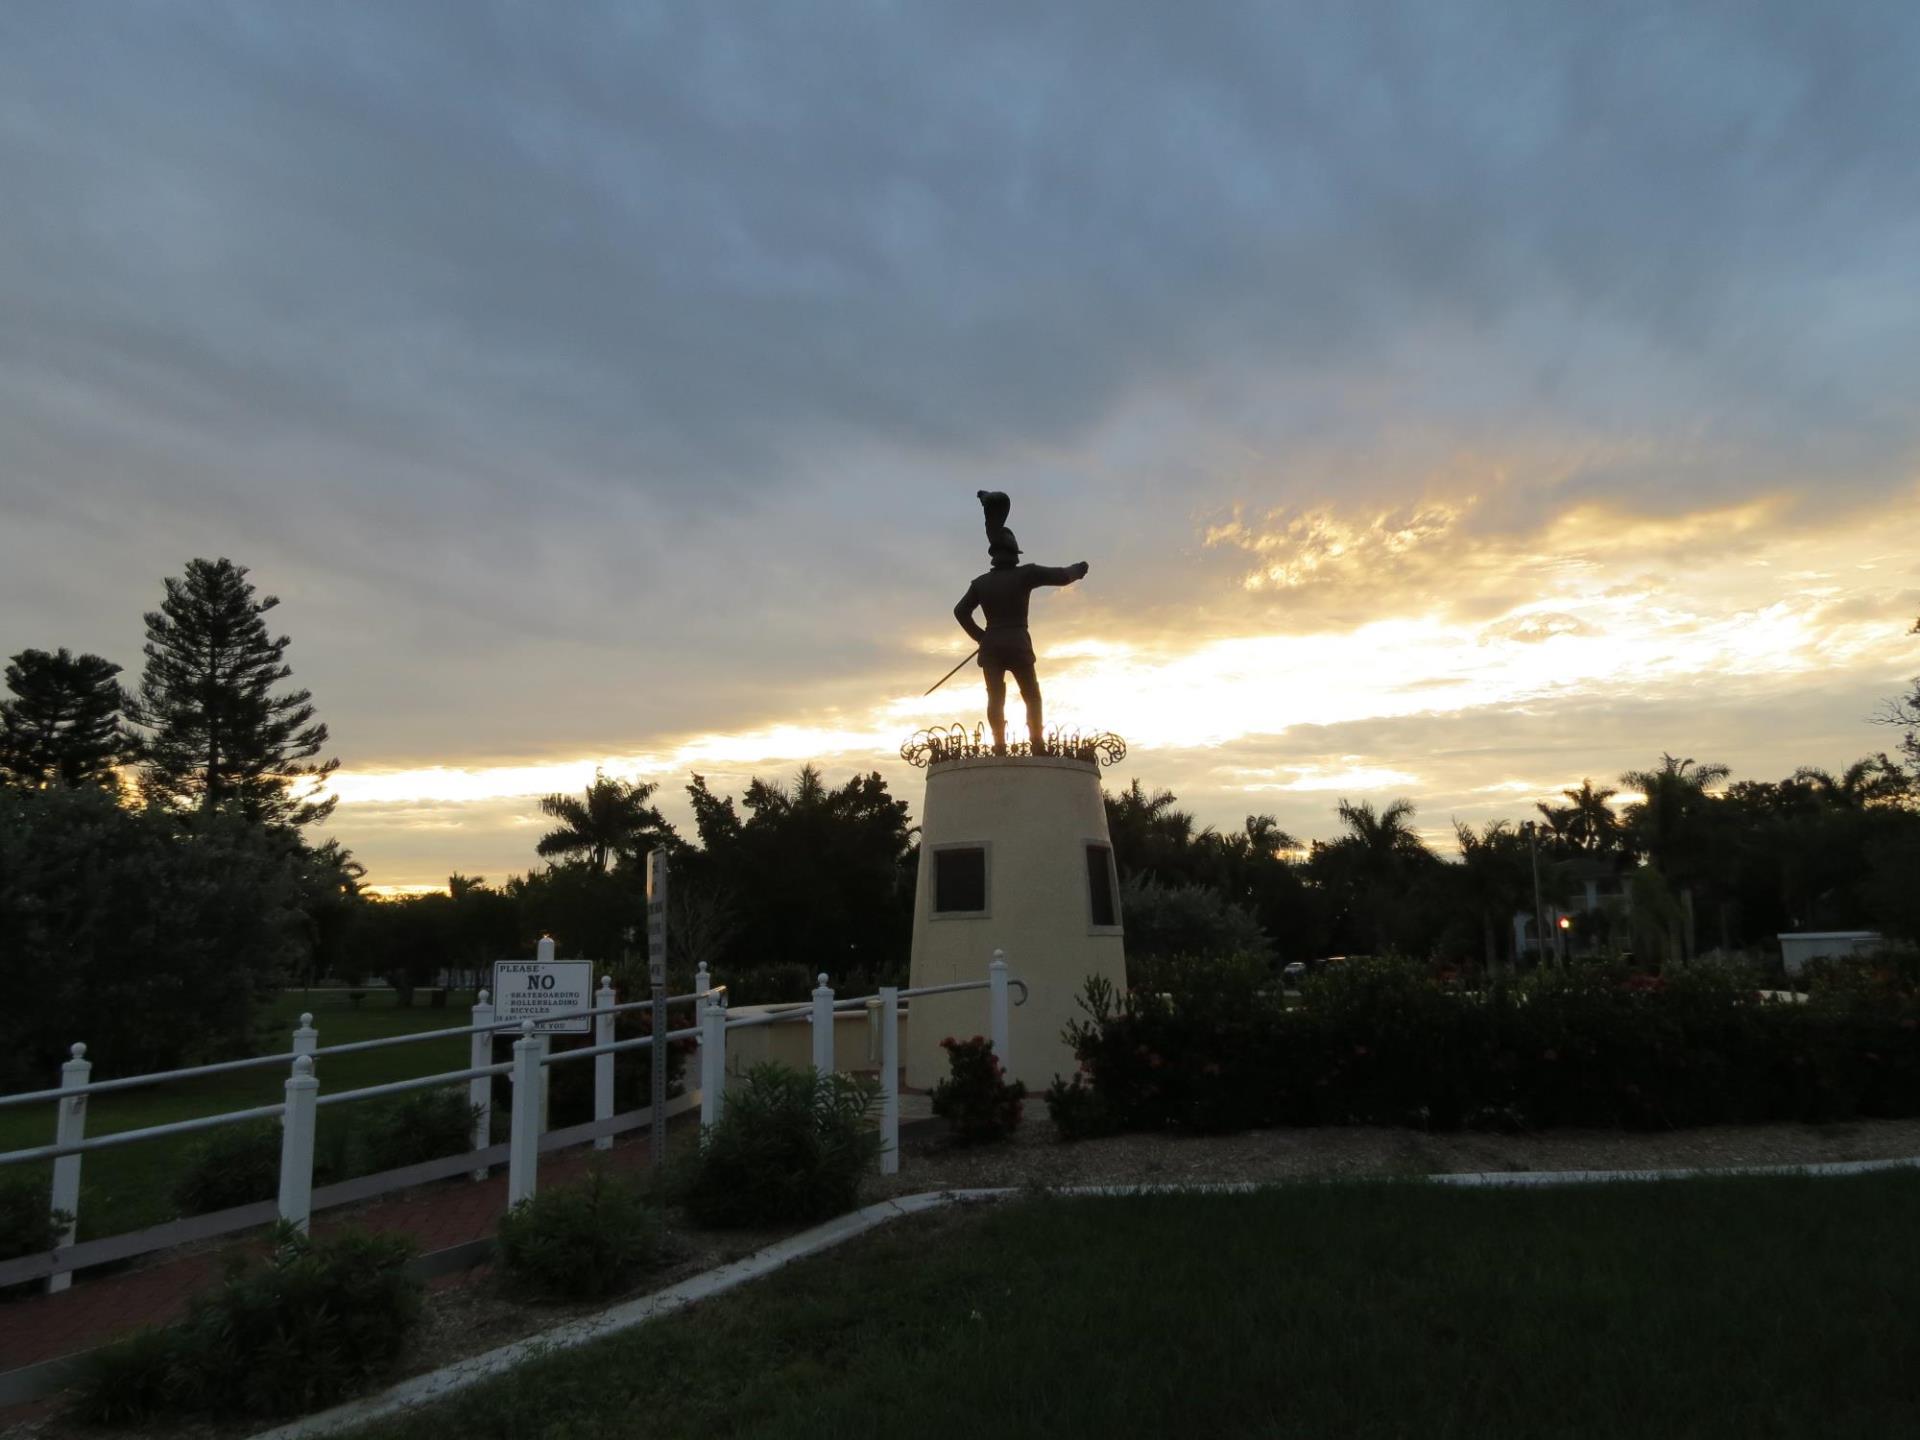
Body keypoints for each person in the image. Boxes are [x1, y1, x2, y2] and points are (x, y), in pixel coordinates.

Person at [953, 495, 1089, 752]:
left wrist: (981, 637)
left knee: (995, 697)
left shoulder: (980, 583)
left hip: (991, 646)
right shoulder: (1026, 574)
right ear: (1014, 553)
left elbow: (960, 611)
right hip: (1017, 643)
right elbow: (1060, 575)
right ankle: (1037, 742)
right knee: (1032, 695)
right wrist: (1078, 569)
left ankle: (999, 744)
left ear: (994, 555)